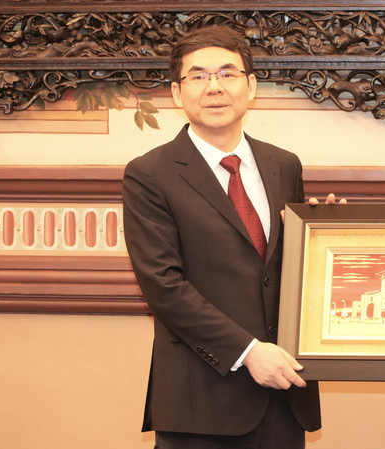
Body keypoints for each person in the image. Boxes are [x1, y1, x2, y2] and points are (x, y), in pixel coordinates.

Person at [123, 25, 339, 449]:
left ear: (251, 86)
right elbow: (163, 287)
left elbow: (288, 270)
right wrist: (249, 351)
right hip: (201, 402)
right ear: (176, 92)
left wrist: (329, 239)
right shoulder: (149, 174)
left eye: (227, 73)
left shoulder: (284, 165)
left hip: (282, 392)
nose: (214, 87)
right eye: (198, 76)